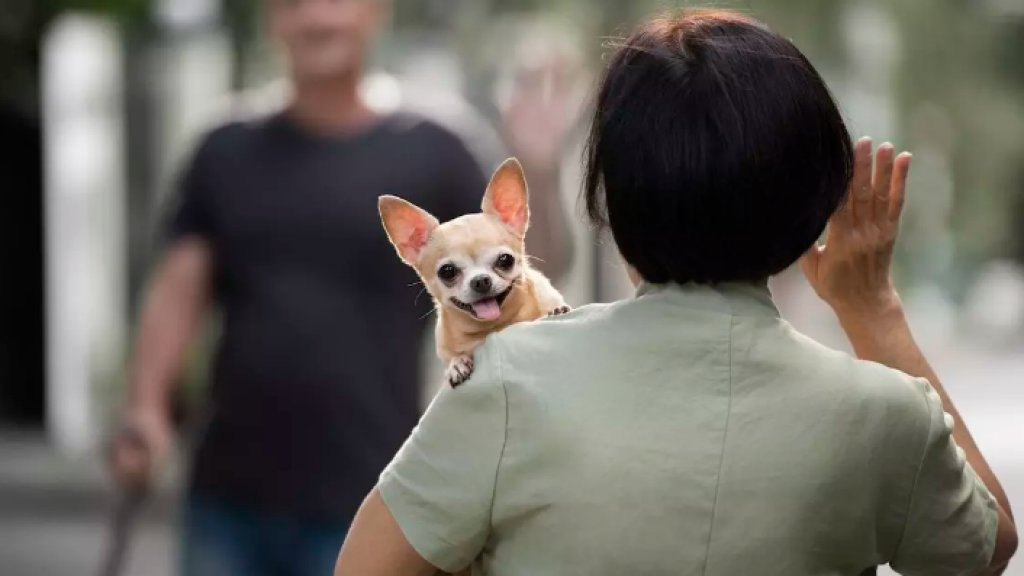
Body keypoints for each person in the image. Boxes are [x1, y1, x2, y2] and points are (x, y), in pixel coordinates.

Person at [335, 9, 1018, 576]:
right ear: (812, 206)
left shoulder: (504, 382)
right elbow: (986, 549)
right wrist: (873, 308)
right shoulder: (884, 416)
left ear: (610, 207)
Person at [109, 0, 575, 575]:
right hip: (229, 495)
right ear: (272, 17)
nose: (319, 17)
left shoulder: (437, 145)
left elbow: (523, 264)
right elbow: (178, 290)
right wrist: (145, 408)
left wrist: (539, 168)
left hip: (377, 498)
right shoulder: (223, 149)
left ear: (376, 11)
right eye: (296, 3)